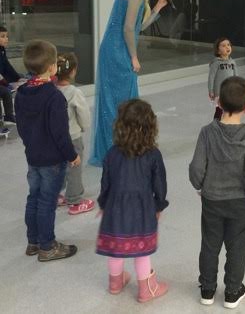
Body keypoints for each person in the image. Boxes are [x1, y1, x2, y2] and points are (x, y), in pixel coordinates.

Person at [189, 76, 245, 309]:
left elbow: (196, 168)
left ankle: (207, 289)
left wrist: (201, 186)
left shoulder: (206, 132)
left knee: (210, 244)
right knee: (238, 245)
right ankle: (232, 291)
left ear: (219, 103)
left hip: (212, 200)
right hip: (241, 203)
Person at [90, 0, 171, 166]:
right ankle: (117, 149)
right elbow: (127, 29)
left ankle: (122, 146)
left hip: (117, 48)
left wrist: (157, 8)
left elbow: (138, 27)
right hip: (117, 51)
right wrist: (134, 57)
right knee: (119, 101)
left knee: (119, 99)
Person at [96, 99, 169, 302]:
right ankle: (146, 289)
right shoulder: (153, 155)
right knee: (142, 250)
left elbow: (106, 182)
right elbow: (160, 184)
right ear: (150, 127)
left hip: (115, 207)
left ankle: (115, 283)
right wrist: (159, 205)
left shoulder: (111, 153)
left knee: (115, 248)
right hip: (142, 208)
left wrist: (103, 204)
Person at [15, 40, 80, 262]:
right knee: (47, 202)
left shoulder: (22, 92)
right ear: (52, 67)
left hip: (32, 156)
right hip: (52, 160)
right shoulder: (54, 97)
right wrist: (72, 155)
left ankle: (33, 242)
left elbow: (21, 126)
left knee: (33, 197)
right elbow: (60, 134)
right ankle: (47, 246)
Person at [55, 53, 94, 215]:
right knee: (74, 167)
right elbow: (83, 115)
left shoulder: (51, 90)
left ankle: (56, 194)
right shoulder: (74, 92)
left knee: (58, 167)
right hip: (73, 137)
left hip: (55, 138)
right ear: (73, 71)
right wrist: (84, 127)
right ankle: (75, 200)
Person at [0, 26, 24, 126]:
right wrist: (6, 83)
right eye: (2, 36)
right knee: (5, 92)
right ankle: (6, 117)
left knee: (23, 77)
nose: (6, 39)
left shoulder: (2, 50)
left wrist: (18, 77)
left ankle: (11, 115)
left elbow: (7, 66)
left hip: (2, 78)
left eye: (7, 36)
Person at [208, 37, 238, 120]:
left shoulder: (232, 62)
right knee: (219, 110)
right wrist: (211, 90)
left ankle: (227, 124)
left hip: (230, 91)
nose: (227, 47)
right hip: (219, 92)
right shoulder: (216, 63)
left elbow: (236, 77)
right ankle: (216, 125)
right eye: (223, 46)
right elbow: (211, 77)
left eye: (228, 45)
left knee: (229, 110)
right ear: (218, 51)